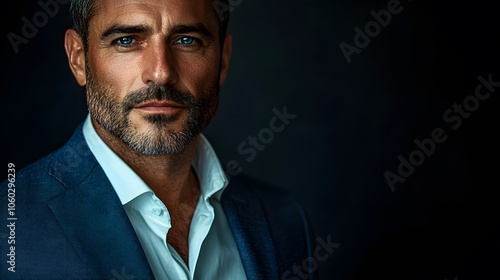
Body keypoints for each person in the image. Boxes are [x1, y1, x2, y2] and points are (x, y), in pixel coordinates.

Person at [1, 0, 317, 279]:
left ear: (222, 59)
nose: (161, 72)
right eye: (126, 40)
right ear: (79, 58)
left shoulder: (285, 221)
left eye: (186, 40)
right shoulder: (10, 226)